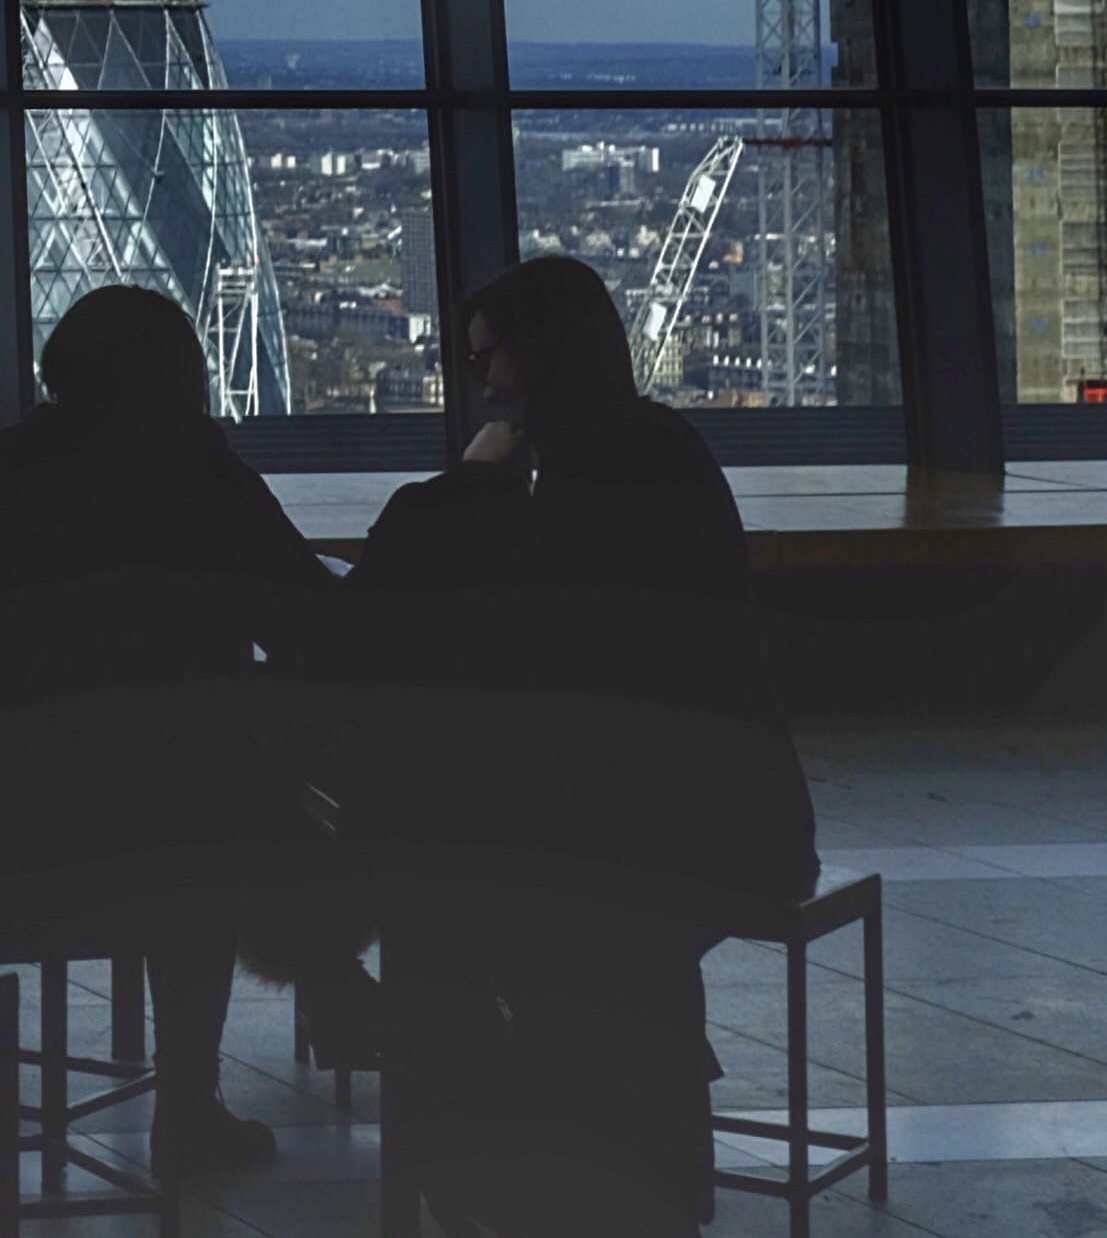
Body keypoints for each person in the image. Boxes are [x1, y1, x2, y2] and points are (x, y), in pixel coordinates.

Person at [320, 252, 812, 1237]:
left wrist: (469, 482)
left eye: (488, 360)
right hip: (710, 817)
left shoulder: (575, 478)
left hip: (652, 834)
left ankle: (468, 1160)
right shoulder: (649, 451)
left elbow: (431, 607)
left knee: (448, 883)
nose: (482, 385)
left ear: (536, 355)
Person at [0, 284, 329, 1184]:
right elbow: (313, 625)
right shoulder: (197, 476)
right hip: (148, 843)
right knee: (215, 789)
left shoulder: (16, 473)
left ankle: (331, 982)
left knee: (192, 772)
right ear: (178, 379)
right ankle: (202, 1095)